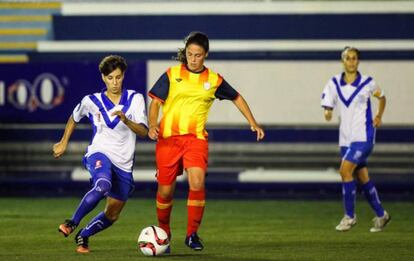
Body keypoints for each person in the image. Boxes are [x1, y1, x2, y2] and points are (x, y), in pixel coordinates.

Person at [147, 31, 265, 251]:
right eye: (190, 54)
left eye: (198, 55)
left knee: (198, 182)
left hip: (196, 139)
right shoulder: (172, 74)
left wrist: (253, 122)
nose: (193, 58)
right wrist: (153, 124)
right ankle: (164, 233)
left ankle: (192, 234)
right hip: (168, 140)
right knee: (165, 192)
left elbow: (237, 97)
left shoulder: (213, 80)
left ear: (206, 55)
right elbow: (154, 103)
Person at [53, 55, 148, 253]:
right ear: (103, 78)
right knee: (103, 184)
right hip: (99, 153)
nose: (115, 82)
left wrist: (126, 120)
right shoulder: (91, 101)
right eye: (111, 77)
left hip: (123, 164)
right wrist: (63, 142)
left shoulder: (135, 99)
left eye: (118, 77)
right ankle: (72, 222)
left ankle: (83, 235)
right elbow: (74, 117)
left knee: (112, 215)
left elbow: (144, 132)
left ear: (124, 76)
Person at [321, 47, 391, 232]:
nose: (351, 61)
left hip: (364, 137)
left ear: (358, 61)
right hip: (345, 139)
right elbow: (328, 104)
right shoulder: (334, 83)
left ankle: (349, 216)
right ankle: (382, 215)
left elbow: (382, 97)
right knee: (362, 178)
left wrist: (378, 116)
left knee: (344, 171)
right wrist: (327, 112)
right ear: (342, 61)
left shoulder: (368, 82)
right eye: (348, 58)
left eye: (354, 58)